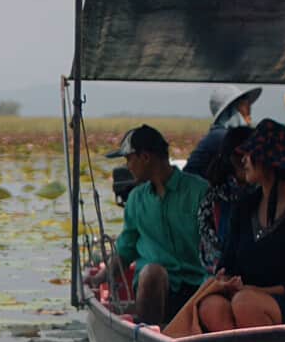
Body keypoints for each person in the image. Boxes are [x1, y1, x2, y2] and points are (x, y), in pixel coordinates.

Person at [198, 119, 285, 331]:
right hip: (244, 295)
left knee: (246, 303)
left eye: (249, 156)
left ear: (268, 162)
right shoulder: (245, 207)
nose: (244, 161)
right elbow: (227, 262)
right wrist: (225, 280)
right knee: (211, 306)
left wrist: (251, 290)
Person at [84, 125, 209, 325]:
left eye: (129, 159)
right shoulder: (135, 199)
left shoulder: (199, 191)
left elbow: (214, 248)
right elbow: (125, 251)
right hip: (153, 289)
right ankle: (150, 333)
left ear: (145, 157)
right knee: (152, 272)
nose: (128, 166)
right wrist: (98, 279)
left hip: (197, 286)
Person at [197, 126, 253, 273]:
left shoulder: (266, 195)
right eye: (242, 154)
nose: (246, 160)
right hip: (221, 277)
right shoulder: (214, 199)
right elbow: (211, 255)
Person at [184, 84, 261, 179]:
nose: (250, 117)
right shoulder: (222, 136)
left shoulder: (220, 134)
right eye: (246, 111)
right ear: (230, 111)